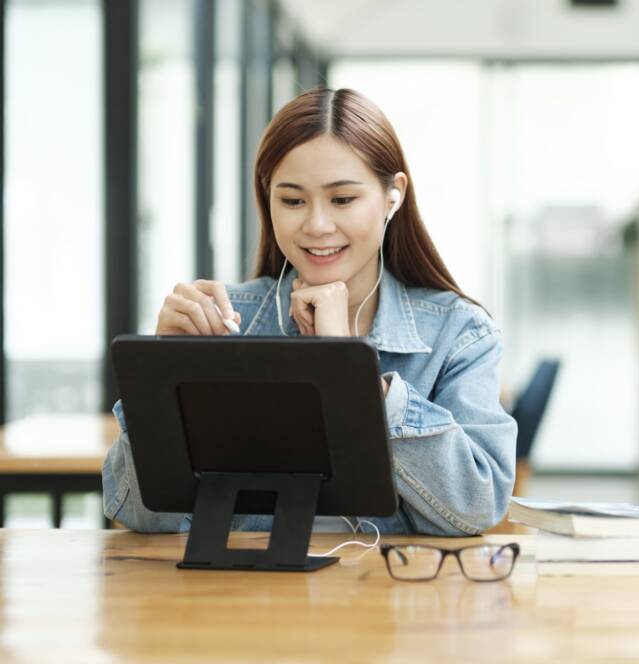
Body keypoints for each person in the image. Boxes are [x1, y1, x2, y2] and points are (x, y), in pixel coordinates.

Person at [102, 86, 517, 537]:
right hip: (237, 583)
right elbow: (139, 515)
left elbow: (479, 505)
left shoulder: (459, 332)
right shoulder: (227, 321)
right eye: (293, 201)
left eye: (342, 200)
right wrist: (160, 383)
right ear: (268, 199)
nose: (317, 225)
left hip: (387, 583)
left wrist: (355, 376)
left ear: (393, 195)